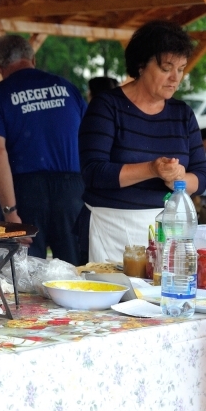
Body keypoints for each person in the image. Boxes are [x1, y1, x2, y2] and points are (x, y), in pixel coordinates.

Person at [79, 20, 206, 263]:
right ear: (141, 65)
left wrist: (178, 179)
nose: (175, 78)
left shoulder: (183, 113)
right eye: (166, 68)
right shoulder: (106, 107)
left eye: (180, 69)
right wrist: (152, 169)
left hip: (171, 230)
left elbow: (201, 176)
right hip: (111, 227)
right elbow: (93, 171)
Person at [0, 35, 87, 265]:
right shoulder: (68, 89)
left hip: (25, 192)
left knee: (23, 275)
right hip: (72, 191)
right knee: (74, 272)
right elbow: (89, 141)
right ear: (32, 58)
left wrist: (9, 211)